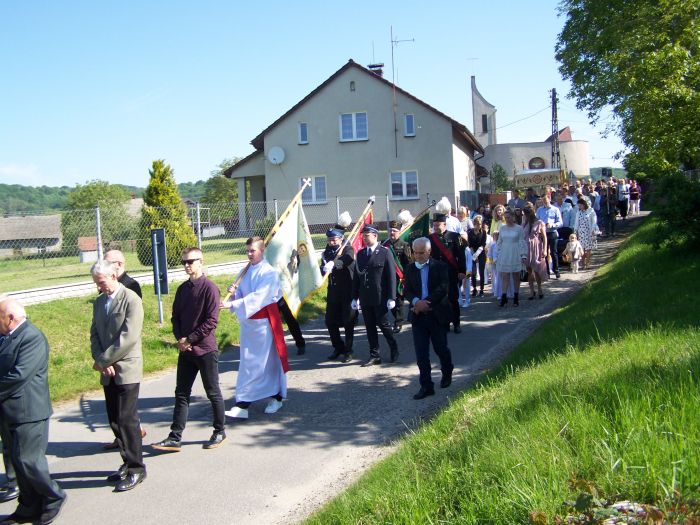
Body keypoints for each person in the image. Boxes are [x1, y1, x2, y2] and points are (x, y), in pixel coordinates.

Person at [151, 247, 226, 452]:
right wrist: (180, 339)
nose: (187, 265)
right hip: (186, 350)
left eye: (191, 261)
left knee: (213, 392)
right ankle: (175, 436)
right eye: (184, 262)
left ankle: (219, 431)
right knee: (181, 393)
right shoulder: (183, 289)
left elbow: (211, 321)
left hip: (205, 350)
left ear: (201, 261)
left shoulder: (210, 288)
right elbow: (175, 317)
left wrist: (190, 338)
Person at [0, 298, 66, 524]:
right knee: (17, 462)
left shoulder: (31, 337)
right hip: (9, 411)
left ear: (10, 318)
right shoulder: (6, 337)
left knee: (28, 459)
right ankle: (28, 506)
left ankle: (53, 496)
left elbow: (19, 376)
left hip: (28, 411)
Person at [90, 260, 146, 492]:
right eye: (96, 283)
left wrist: (105, 360)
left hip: (126, 369)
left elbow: (129, 335)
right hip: (108, 369)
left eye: (101, 282)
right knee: (114, 418)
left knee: (127, 419)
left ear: (113, 276)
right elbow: (94, 333)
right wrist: (101, 361)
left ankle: (136, 469)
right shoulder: (99, 302)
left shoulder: (131, 299)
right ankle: (125, 462)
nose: (99, 287)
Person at [222, 237, 289, 419]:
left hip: (264, 324)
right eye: (248, 251)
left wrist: (232, 304)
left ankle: (270, 398)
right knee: (249, 363)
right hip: (249, 324)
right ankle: (244, 403)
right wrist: (234, 292)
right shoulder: (245, 271)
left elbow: (259, 298)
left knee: (264, 363)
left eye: (253, 251)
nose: (249, 254)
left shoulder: (269, 273)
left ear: (262, 251)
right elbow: (243, 293)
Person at [102, 249, 145, 450]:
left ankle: (132, 440)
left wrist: (106, 358)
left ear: (119, 265)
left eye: (108, 262)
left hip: (125, 353)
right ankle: (122, 439)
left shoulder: (131, 287)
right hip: (109, 353)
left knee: (126, 410)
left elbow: (129, 327)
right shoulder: (106, 288)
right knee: (114, 408)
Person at [403, 238, 454, 400]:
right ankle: (426, 385)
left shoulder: (440, 267)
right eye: (415, 253)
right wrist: (417, 302)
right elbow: (407, 291)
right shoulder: (410, 269)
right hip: (418, 316)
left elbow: (443, 288)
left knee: (441, 348)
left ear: (429, 252)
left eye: (421, 253)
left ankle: (447, 370)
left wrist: (427, 302)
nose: (417, 256)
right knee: (421, 354)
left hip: (437, 314)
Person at [352, 225, 399, 366]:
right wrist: (354, 297)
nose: (365, 238)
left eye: (368, 235)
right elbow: (356, 277)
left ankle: (393, 347)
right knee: (370, 326)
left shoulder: (384, 252)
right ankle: (374, 355)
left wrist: (392, 297)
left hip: (380, 296)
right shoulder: (360, 254)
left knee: (384, 325)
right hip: (366, 297)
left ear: (375, 236)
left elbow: (391, 275)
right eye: (363, 236)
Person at [321, 224, 356, 363]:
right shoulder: (327, 252)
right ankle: (338, 347)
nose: (332, 242)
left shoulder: (347, 248)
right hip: (333, 292)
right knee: (329, 321)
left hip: (347, 291)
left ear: (341, 239)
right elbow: (323, 267)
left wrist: (335, 264)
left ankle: (348, 350)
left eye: (334, 239)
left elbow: (348, 258)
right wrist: (322, 269)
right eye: (330, 240)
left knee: (348, 321)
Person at [429, 214, 466, 333]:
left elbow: (461, 255)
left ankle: (456, 323)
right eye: (434, 225)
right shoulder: (430, 238)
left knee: (452, 298)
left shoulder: (455, 236)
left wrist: (462, 271)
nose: (435, 227)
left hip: (450, 272)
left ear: (444, 224)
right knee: (440, 299)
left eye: (438, 225)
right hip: (436, 273)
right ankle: (444, 323)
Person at [382, 220, 412, 333]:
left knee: (399, 301)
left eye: (394, 231)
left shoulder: (404, 245)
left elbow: (408, 263)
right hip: (387, 277)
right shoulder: (384, 244)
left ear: (399, 232)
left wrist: (406, 277)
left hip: (399, 278)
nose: (392, 233)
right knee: (390, 299)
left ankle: (398, 322)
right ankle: (396, 318)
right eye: (390, 230)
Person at [496, 208, 527, 307]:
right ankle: (504, 297)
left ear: (513, 217)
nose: (507, 219)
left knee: (515, 276)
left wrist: (523, 255)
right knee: (504, 275)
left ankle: (516, 297)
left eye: (509, 217)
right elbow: (499, 241)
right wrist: (498, 252)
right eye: (506, 218)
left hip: (515, 252)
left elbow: (522, 242)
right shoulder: (502, 228)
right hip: (505, 253)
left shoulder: (519, 228)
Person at [522, 203, 548, 299]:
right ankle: (531, 290)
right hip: (526, 247)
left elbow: (544, 237)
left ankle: (540, 288)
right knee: (529, 270)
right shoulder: (524, 223)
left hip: (536, 246)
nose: (525, 215)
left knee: (537, 269)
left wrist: (545, 250)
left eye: (526, 213)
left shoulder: (539, 222)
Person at [535, 195, 563, 279]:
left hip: (552, 232)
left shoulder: (555, 209)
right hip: (543, 233)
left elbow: (560, 222)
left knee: (554, 252)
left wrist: (553, 225)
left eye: (546, 201)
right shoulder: (539, 210)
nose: (545, 202)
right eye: (543, 201)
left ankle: (556, 270)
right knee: (544, 252)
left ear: (549, 200)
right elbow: (537, 220)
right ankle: (547, 271)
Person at [572, 198, 599, 270]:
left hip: (589, 232)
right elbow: (576, 223)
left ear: (584, 204)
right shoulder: (578, 212)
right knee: (582, 249)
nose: (579, 207)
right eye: (579, 205)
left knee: (589, 249)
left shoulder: (591, 211)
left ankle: (587, 263)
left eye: (580, 205)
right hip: (581, 232)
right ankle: (583, 263)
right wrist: (575, 231)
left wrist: (593, 229)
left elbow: (594, 221)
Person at [467, 215, 487, 297]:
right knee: (473, 272)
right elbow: (470, 244)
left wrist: (477, 253)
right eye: (476, 224)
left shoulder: (483, 232)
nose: (478, 226)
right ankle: (474, 289)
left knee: (481, 272)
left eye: (479, 224)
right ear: (473, 223)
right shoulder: (470, 232)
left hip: (481, 252)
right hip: (472, 252)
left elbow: (483, 244)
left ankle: (482, 290)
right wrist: (473, 254)